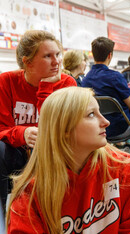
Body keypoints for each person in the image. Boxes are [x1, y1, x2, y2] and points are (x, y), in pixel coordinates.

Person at [6, 87, 130, 233]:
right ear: (64, 129)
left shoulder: (125, 167)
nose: (106, 122)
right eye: (91, 115)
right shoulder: (30, 192)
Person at [0, 30, 76, 211]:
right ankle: (4, 218)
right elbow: (2, 127)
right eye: (47, 56)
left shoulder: (67, 83)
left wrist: (46, 88)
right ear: (27, 62)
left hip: (54, 150)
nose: (57, 61)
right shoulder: (6, 81)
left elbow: (58, 127)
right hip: (16, 150)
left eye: (57, 54)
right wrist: (23, 133)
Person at [82, 37, 130, 139]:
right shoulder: (115, 77)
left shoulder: (85, 79)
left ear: (93, 54)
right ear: (110, 55)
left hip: (96, 129)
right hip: (120, 128)